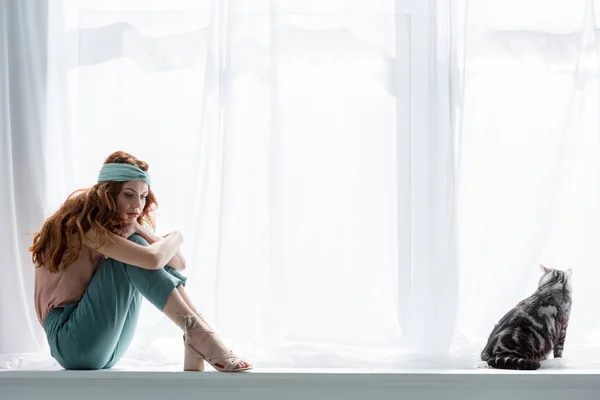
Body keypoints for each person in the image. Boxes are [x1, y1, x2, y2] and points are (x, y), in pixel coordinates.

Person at [30, 151, 252, 372]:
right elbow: (154, 259)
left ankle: (198, 332)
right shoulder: (86, 227)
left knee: (139, 249)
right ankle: (198, 333)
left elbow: (177, 262)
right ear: (108, 194)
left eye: (143, 196)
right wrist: (177, 236)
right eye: (128, 194)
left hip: (104, 346)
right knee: (132, 256)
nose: (137, 204)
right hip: (70, 341)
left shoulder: (118, 227)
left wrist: (141, 229)